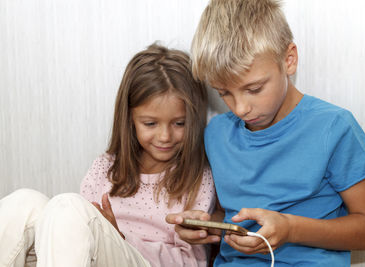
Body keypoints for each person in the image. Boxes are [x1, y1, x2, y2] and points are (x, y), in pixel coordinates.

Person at [166, 0, 365, 266]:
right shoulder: (217, 134)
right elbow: (230, 215)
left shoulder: (333, 127)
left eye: (254, 89)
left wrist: (290, 229)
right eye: (224, 93)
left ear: (289, 60)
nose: (241, 108)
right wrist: (209, 225)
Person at [0, 43, 216, 267]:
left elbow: (192, 261)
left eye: (179, 123)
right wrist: (103, 235)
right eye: (150, 123)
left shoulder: (198, 177)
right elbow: (70, 234)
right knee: (24, 203)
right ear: (130, 119)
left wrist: (119, 239)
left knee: (69, 206)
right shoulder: (105, 168)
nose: (165, 136)